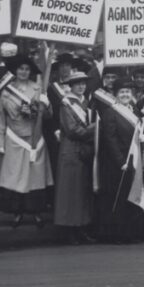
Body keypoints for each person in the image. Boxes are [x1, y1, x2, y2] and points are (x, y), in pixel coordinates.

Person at [0, 54, 52, 227]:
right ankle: (17, 212)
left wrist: (43, 106)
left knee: (35, 176)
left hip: (35, 138)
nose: (24, 72)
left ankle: (36, 212)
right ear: (15, 71)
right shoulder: (6, 91)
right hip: (14, 138)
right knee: (15, 176)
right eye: (21, 69)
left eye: (27, 69)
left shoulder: (38, 89)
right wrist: (0, 142)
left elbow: (49, 117)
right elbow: (0, 117)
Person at [95, 78, 144, 243]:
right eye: (122, 92)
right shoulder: (110, 112)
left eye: (127, 92)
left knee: (131, 196)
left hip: (134, 160)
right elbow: (110, 139)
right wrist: (120, 161)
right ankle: (117, 234)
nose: (125, 95)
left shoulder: (134, 111)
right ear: (115, 95)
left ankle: (131, 232)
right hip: (117, 163)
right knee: (118, 198)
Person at [53, 67, 96, 244]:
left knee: (82, 192)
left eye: (83, 83)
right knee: (70, 192)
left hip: (85, 151)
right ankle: (69, 230)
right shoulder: (66, 103)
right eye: (76, 84)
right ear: (70, 86)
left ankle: (81, 228)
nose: (80, 87)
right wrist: (94, 129)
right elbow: (72, 130)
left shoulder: (87, 102)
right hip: (71, 150)